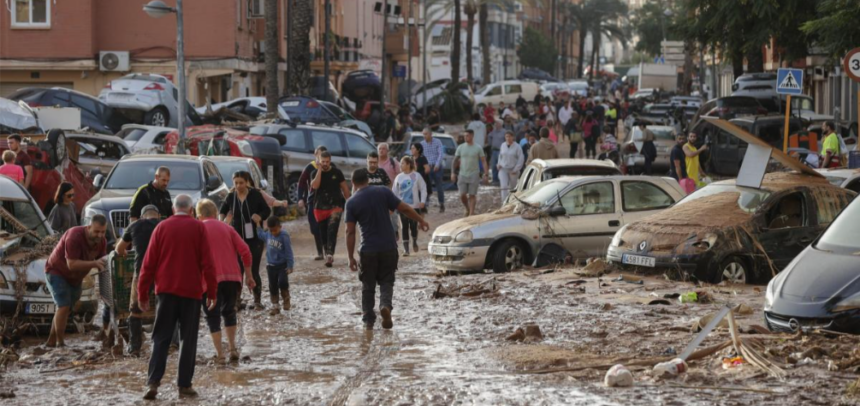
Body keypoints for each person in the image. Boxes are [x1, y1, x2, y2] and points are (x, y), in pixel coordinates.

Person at [138, 195, 218, 400]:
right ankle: (184, 386)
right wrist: (212, 292)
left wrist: (142, 292)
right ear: (191, 210)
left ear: (173, 210)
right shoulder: (198, 228)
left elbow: (148, 264)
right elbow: (208, 263)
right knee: (187, 339)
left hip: (165, 292)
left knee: (161, 337)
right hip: (191, 293)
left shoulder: (161, 228)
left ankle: (153, 383)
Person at [345, 169, 429, 330]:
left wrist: (350, 257)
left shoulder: (352, 202)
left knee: (368, 286)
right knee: (386, 281)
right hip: (389, 248)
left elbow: (349, 231)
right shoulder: (383, 191)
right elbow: (404, 208)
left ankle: (368, 321)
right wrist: (421, 220)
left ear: (353, 183)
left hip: (368, 250)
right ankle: (385, 306)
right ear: (368, 180)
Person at [196, 199, 252, 363]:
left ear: (199, 216)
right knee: (229, 312)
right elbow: (246, 251)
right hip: (232, 278)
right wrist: (249, 275)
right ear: (215, 213)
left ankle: (220, 354)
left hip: (208, 280)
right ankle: (233, 348)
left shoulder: (198, 230)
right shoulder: (228, 228)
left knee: (212, 316)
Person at [44, 216, 108, 348]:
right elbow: (71, 264)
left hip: (75, 278)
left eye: (103, 232)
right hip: (57, 271)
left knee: (65, 309)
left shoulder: (102, 241)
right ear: (88, 227)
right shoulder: (74, 236)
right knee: (63, 306)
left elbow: (103, 261)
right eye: (96, 231)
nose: (100, 235)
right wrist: (94, 263)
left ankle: (50, 342)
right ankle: (60, 344)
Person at [220, 171, 271, 309]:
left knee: (253, 269)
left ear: (247, 182)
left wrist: (260, 216)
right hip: (236, 238)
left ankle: (257, 300)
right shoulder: (231, 196)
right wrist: (223, 221)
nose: (238, 186)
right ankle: (236, 301)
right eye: (236, 183)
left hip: (254, 238)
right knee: (238, 270)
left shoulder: (255, 194)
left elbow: (267, 210)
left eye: (241, 183)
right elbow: (222, 209)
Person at [311, 151, 351, 267]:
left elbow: (345, 188)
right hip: (320, 207)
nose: (325, 164)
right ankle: (326, 251)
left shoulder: (337, 172)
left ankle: (330, 255)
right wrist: (319, 170)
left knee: (332, 230)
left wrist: (349, 202)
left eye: (327, 161)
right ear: (319, 160)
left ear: (330, 160)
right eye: (323, 161)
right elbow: (315, 186)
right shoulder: (314, 173)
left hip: (335, 206)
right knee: (323, 232)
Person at [256, 215, 294, 315]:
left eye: (275, 230)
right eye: (271, 230)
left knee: (282, 283)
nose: (273, 232)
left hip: (282, 265)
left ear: (280, 226)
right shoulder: (268, 234)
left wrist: (290, 266)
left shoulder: (284, 235)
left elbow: (288, 251)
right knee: (272, 286)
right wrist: (257, 224)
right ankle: (275, 306)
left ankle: (286, 299)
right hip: (270, 266)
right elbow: (260, 234)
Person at [392, 156, 427, 256]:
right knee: (404, 227)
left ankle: (414, 241)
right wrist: (393, 204)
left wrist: (423, 201)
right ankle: (406, 249)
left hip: (414, 207)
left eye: (402, 163)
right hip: (402, 207)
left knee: (413, 226)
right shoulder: (399, 177)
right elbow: (394, 192)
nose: (400, 165)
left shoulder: (416, 176)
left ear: (408, 164)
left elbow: (423, 188)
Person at [298, 146, 328, 260]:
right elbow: (301, 183)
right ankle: (320, 252)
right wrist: (300, 198)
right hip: (312, 201)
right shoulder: (310, 167)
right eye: (319, 155)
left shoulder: (330, 167)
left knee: (326, 227)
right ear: (316, 155)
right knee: (315, 228)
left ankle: (327, 251)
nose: (321, 159)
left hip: (326, 202)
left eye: (323, 156)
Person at [452, 129, 489, 217]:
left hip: (474, 173)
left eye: (467, 136)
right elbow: (455, 160)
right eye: (464, 136)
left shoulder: (478, 147)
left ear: (472, 136)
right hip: (462, 173)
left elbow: (483, 161)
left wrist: (486, 174)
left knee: (472, 194)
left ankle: (471, 213)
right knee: (462, 194)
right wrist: (453, 173)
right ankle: (467, 208)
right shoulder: (460, 147)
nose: (465, 137)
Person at [420, 127, 446, 213]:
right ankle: (425, 205)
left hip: (437, 167)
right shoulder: (422, 144)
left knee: (439, 187)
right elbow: (421, 156)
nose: (424, 136)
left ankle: (441, 204)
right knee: (426, 187)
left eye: (426, 134)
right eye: (423, 134)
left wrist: (437, 164)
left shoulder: (437, 142)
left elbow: (440, 154)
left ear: (431, 134)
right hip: (427, 167)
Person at [498, 131, 525, 201]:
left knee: (513, 187)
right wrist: (499, 164)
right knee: (503, 186)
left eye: (509, 136)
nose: (508, 138)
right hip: (503, 168)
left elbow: (521, 159)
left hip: (513, 169)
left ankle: (512, 201)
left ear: (513, 137)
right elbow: (500, 156)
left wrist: (516, 169)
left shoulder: (517, 147)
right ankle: (504, 202)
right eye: (506, 136)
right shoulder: (503, 145)